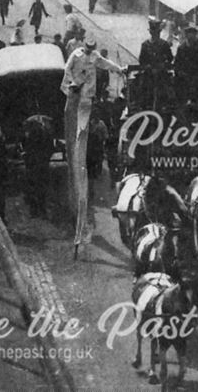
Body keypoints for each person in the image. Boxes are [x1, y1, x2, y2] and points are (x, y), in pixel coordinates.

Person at [61, 36, 127, 254]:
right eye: (88, 49)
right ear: (83, 47)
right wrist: (72, 84)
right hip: (74, 95)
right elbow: (67, 70)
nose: (90, 52)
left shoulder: (96, 57)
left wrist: (120, 69)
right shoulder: (76, 55)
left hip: (88, 99)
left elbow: (107, 65)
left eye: (92, 49)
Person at [22, 114, 54, 218]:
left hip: (33, 165)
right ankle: (42, 211)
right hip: (43, 164)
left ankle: (35, 211)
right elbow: (50, 149)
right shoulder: (47, 134)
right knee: (42, 188)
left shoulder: (31, 135)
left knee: (33, 188)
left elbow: (27, 149)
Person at [174, 24, 198, 115]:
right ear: (186, 36)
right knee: (183, 101)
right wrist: (179, 73)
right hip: (184, 79)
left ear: (195, 36)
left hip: (197, 78)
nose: (190, 37)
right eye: (188, 35)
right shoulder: (181, 48)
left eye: (192, 35)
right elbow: (177, 63)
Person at [138, 16, 174, 109]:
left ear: (159, 32)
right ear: (150, 32)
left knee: (167, 92)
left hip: (161, 74)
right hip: (149, 74)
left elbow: (170, 58)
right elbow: (141, 60)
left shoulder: (164, 44)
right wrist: (148, 66)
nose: (155, 35)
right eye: (153, 33)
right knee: (143, 91)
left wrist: (163, 64)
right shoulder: (145, 45)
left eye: (157, 33)